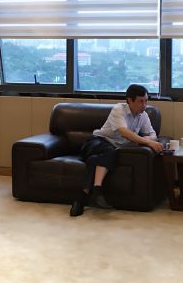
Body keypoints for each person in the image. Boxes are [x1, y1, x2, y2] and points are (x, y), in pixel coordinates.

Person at [70, 84, 164, 217]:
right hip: (95, 142)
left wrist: (146, 139)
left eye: (146, 101)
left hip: (109, 150)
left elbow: (153, 134)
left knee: (95, 160)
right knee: (109, 151)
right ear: (129, 100)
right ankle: (96, 189)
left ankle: (83, 198)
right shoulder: (119, 109)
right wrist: (147, 141)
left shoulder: (143, 115)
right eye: (141, 101)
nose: (144, 105)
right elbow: (124, 132)